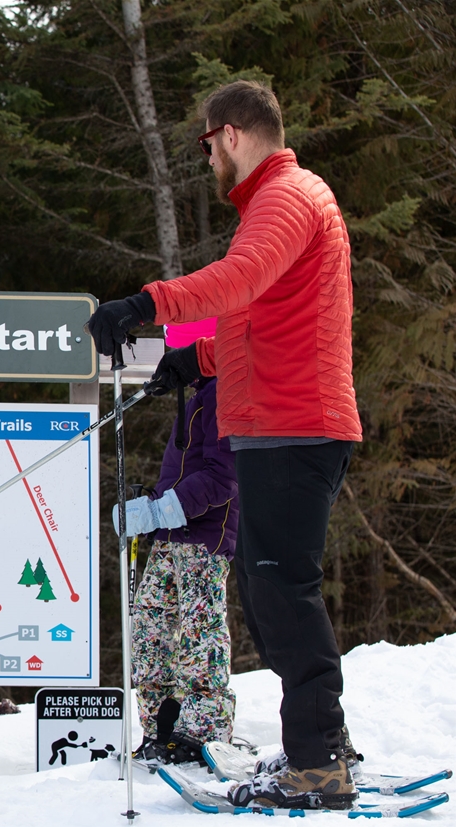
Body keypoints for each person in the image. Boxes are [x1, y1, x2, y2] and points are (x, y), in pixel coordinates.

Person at [87, 80, 362, 810]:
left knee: (282, 588)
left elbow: (238, 281)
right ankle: (319, 746)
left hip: (294, 424)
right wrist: (195, 360)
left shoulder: (287, 196)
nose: (208, 160)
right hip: (281, 422)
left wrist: (148, 304)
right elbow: (259, 319)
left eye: (207, 145)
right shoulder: (284, 200)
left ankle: (318, 760)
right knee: (271, 590)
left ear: (231, 134)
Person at [120, 318, 239, 767]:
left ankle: (204, 729)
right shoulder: (194, 397)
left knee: (198, 633)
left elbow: (223, 478)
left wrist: (163, 509)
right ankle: (161, 728)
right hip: (171, 539)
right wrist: (146, 511)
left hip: (205, 540)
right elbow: (183, 475)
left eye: (178, 348)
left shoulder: (225, 392)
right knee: (148, 629)